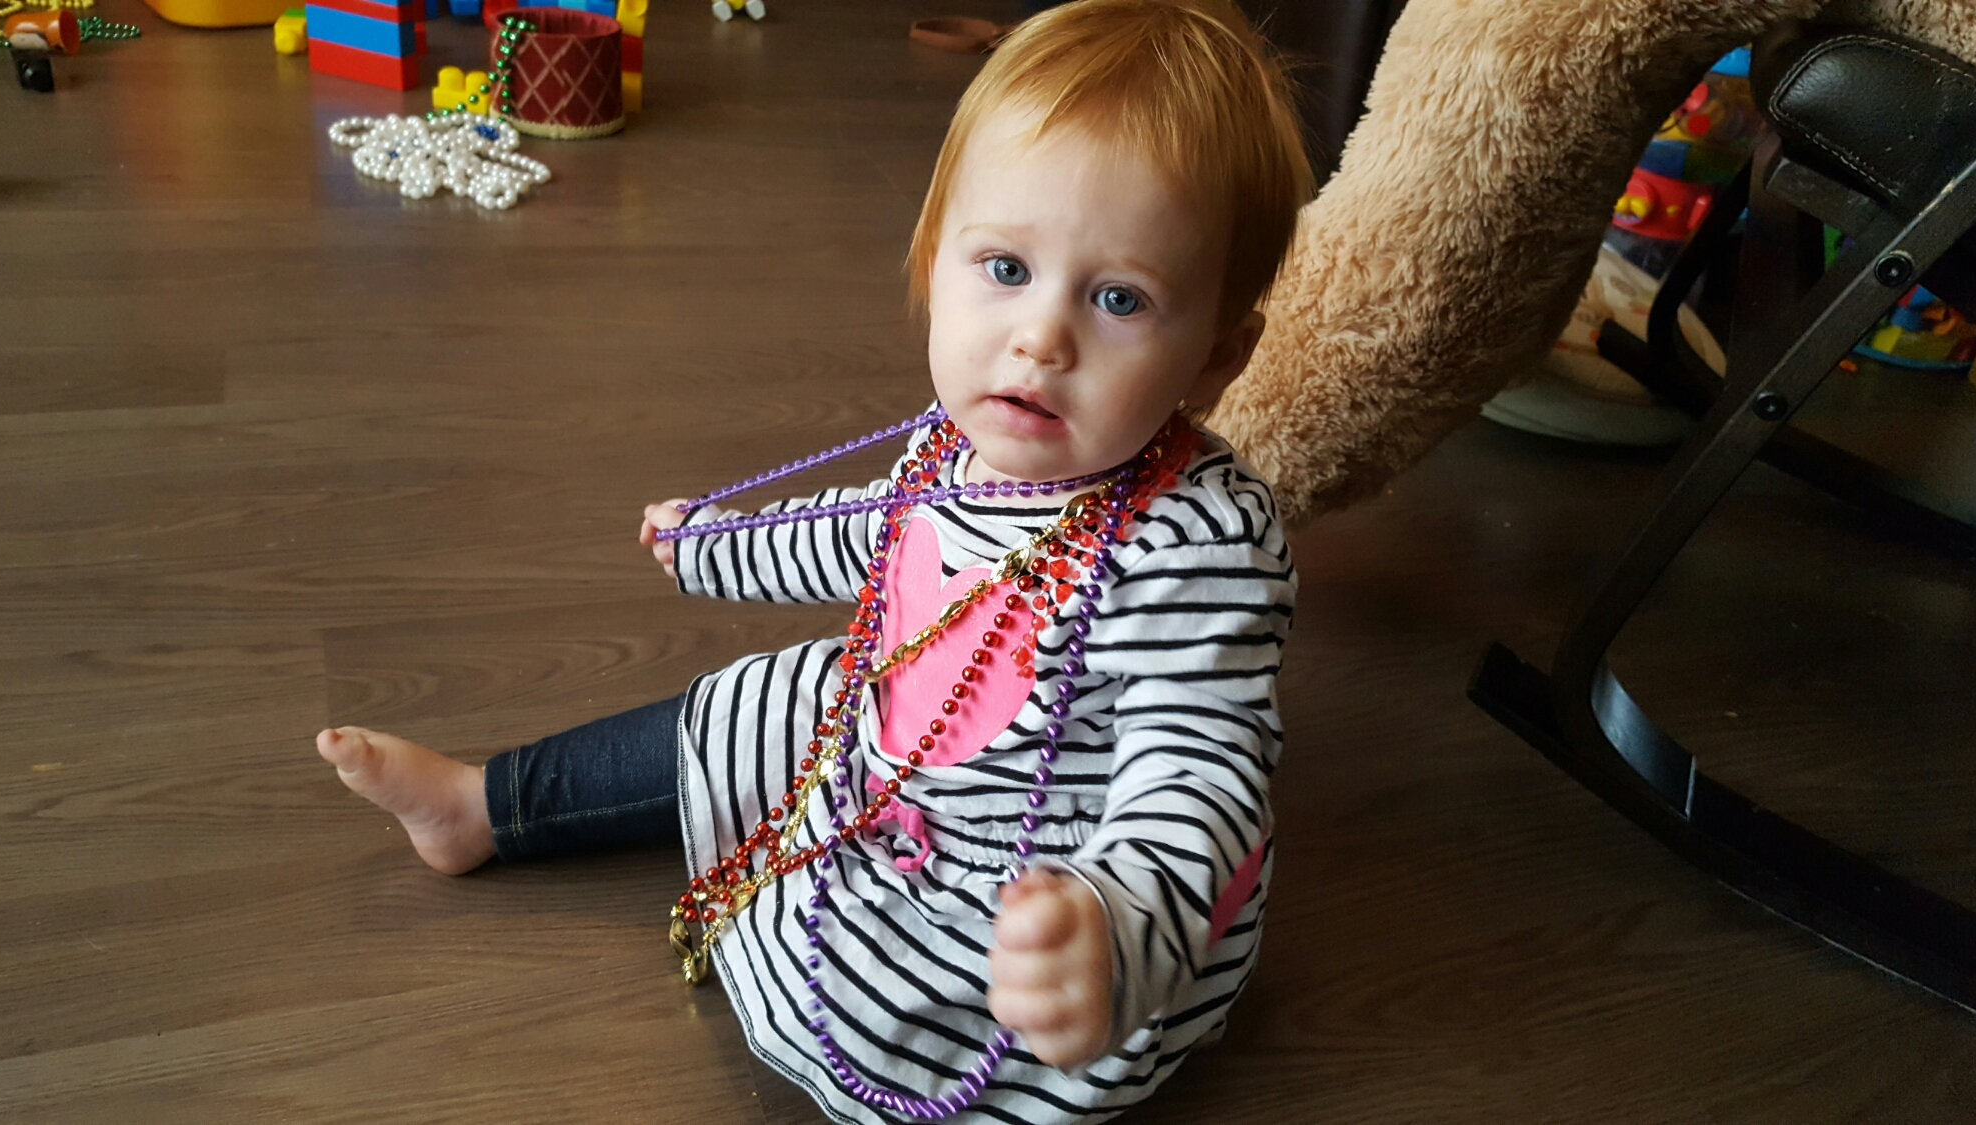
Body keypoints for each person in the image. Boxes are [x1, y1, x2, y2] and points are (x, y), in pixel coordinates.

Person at [316, 1, 1311, 1119]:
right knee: (751, 700)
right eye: (1004, 267)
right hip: (887, 745)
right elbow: (860, 533)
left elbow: (1200, 778)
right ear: (933, 261)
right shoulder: (960, 446)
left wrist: (1116, 925)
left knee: (893, 1010)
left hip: (1035, 884)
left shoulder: (1194, 547)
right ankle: (484, 805)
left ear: (1217, 355)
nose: (1041, 338)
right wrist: (713, 544)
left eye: (1118, 298)